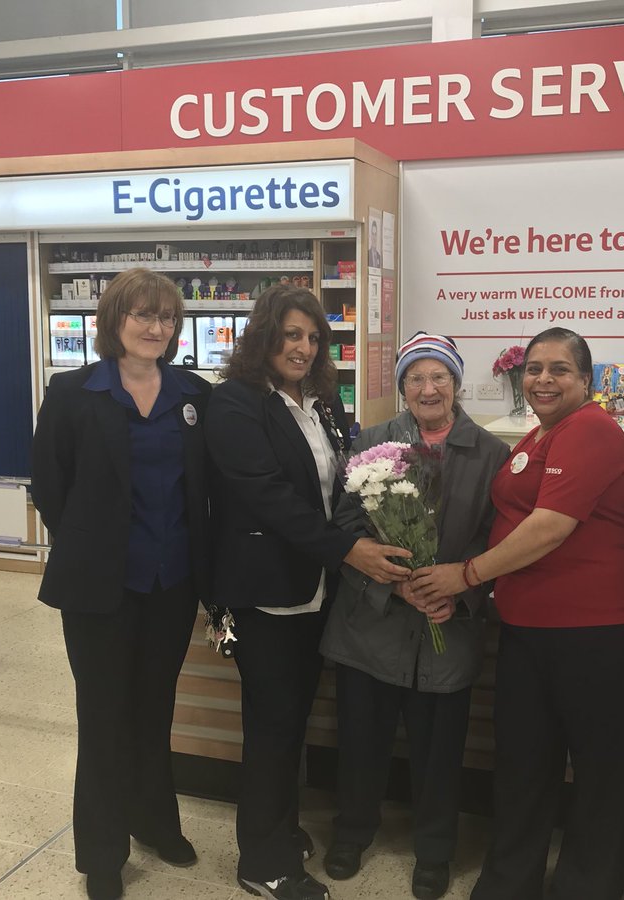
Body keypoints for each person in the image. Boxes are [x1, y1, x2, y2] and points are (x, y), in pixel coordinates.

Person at [413, 327, 624, 900]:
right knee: (524, 766)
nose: (543, 379)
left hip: (603, 633)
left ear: (587, 380)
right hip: (532, 630)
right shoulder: (538, 435)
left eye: (559, 370)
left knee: (600, 776)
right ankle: (508, 882)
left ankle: (587, 888)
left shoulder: (591, 431)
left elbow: (550, 526)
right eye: (533, 369)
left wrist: (468, 574)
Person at [205, 283, 411, 900]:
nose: (303, 346)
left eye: (313, 337)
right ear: (265, 335)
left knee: (292, 719)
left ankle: (281, 829)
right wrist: (351, 550)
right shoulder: (235, 405)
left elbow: (342, 474)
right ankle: (261, 863)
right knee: (271, 724)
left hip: (314, 588)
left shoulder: (317, 400)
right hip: (264, 594)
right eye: (291, 334)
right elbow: (269, 497)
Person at [31, 268, 213, 900]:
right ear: (115, 321)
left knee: (154, 707)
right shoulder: (75, 393)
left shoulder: (193, 395)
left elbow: (202, 488)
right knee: (104, 714)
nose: (155, 328)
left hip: (171, 582)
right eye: (142, 315)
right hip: (97, 588)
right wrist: (91, 542)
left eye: (165, 318)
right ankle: (102, 853)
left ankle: (155, 822)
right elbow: (49, 486)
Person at [319, 332, 509, 900]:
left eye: (440, 378)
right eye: (416, 379)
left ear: (455, 384)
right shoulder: (371, 443)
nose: (429, 389)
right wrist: (392, 582)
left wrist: (462, 588)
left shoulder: (492, 454)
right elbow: (343, 526)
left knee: (438, 754)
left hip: (446, 629)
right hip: (370, 627)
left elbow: (497, 538)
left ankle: (434, 850)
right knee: (360, 743)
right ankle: (352, 833)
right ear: (403, 387)